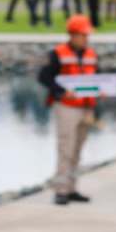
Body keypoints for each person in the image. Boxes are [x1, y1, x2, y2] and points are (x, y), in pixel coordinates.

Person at [38, 14, 98, 206]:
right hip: (66, 107)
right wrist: (62, 92)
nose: (86, 39)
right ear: (73, 35)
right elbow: (44, 77)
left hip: (85, 107)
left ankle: (72, 188)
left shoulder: (91, 55)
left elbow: (96, 80)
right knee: (66, 148)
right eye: (83, 35)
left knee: (78, 150)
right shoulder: (58, 54)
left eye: (87, 35)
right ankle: (61, 191)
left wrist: (94, 104)